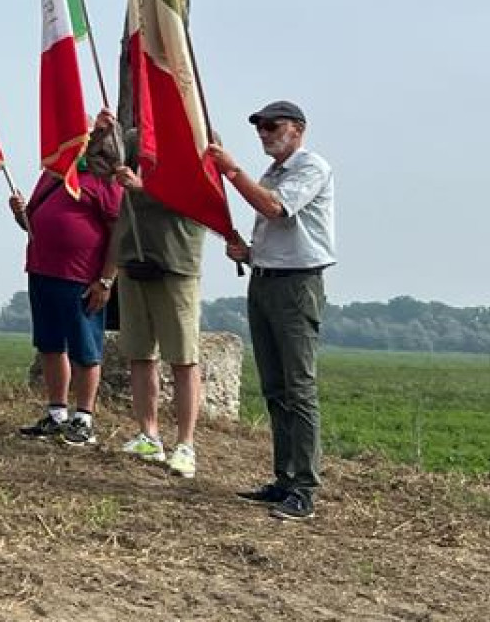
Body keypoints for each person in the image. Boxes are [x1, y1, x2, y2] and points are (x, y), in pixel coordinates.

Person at [211, 100, 336, 522]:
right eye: (260, 127)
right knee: (275, 388)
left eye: (272, 126)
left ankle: (304, 488)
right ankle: (284, 478)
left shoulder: (311, 167)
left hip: (296, 286)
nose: (264, 133)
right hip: (265, 280)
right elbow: (275, 227)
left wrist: (231, 171)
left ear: (298, 129)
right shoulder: (271, 173)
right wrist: (248, 253)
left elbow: (274, 208)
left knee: (298, 387)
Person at [10, 112, 124, 444]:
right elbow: (33, 224)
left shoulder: (103, 179)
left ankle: (83, 418)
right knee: (49, 344)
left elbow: (119, 233)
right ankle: (57, 413)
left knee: (85, 349)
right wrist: (20, 213)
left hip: (81, 277)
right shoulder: (51, 174)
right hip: (42, 270)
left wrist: (106, 280)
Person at [110, 135, 208, 478]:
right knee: (139, 353)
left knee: (183, 357)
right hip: (133, 256)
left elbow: (200, 195)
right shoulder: (134, 138)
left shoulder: (198, 136)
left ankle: (185, 445)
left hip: (176, 259)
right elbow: (101, 167)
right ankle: (148, 435)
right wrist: (103, 136)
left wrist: (144, 188)